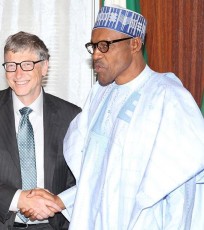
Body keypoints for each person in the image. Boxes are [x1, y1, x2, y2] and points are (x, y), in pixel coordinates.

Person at [25, 5, 204, 229]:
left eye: (105, 46)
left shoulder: (168, 97)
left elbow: (181, 194)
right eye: (94, 46)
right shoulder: (99, 95)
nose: (97, 54)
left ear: (135, 44)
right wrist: (60, 201)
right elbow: (95, 177)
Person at [0, 31, 81, 230]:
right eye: (11, 66)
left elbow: (82, 179)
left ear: (44, 66)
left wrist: (55, 202)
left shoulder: (71, 116)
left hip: (52, 225)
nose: (18, 74)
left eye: (27, 64)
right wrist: (20, 199)